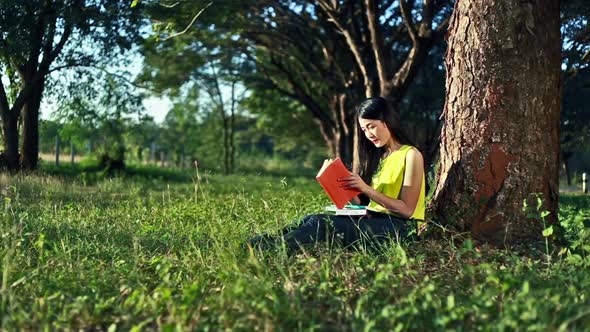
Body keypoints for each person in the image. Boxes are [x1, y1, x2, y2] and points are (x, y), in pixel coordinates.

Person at [247, 96, 425, 252]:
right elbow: (367, 205)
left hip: (400, 229)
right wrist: (340, 188)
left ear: (387, 122)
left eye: (371, 126)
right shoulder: (382, 156)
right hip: (375, 219)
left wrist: (366, 189)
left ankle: (273, 250)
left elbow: (407, 210)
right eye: (364, 130)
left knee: (321, 224)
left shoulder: (411, 155)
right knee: (311, 218)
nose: (368, 134)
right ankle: (261, 243)